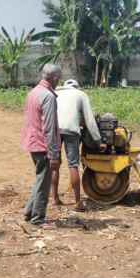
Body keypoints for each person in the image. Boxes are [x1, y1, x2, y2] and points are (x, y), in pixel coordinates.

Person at [20, 63, 61, 226]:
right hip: (43, 145)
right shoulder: (48, 97)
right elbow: (49, 128)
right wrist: (54, 154)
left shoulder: (33, 92)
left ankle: (29, 211)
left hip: (32, 142)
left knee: (40, 179)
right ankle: (38, 218)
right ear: (55, 78)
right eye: (59, 78)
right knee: (44, 183)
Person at [52, 78, 102, 211]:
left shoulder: (55, 92)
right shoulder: (81, 94)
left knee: (55, 164)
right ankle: (78, 202)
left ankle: (55, 198)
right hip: (71, 131)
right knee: (73, 165)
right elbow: (90, 120)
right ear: (77, 86)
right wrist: (98, 141)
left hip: (55, 130)